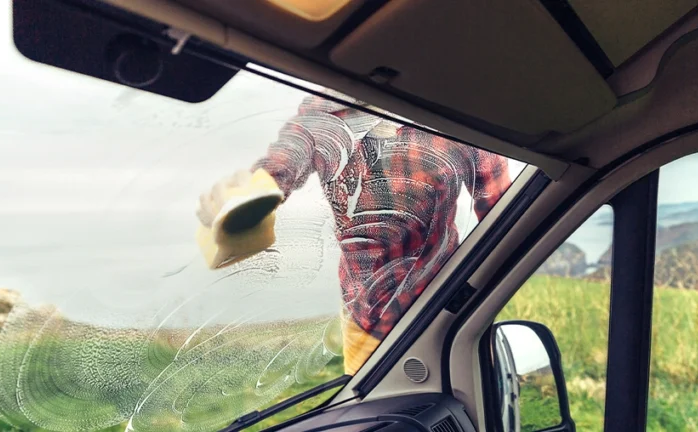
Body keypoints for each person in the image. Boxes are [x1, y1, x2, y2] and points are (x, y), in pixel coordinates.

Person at [196, 91, 511, 375]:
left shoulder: (461, 120)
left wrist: (476, 304)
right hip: (360, 320)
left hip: (442, 313)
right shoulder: (324, 114)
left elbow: (504, 223)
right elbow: (283, 161)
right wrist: (243, 200)